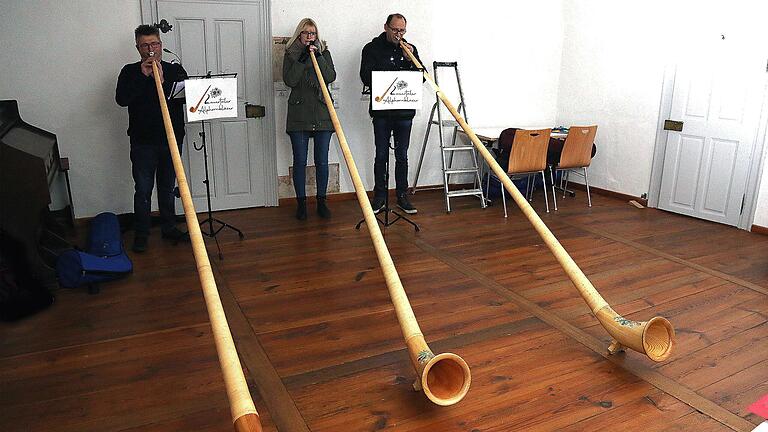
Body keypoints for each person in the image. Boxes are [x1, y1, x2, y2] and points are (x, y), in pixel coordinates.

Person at [116, 24, 188, 252]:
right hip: (143, 141)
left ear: (160, 45)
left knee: (168, 187)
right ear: (137, 47)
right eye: (145, 45)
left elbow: (187, 99)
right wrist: (142, 75)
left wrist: (165, 79)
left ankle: (169, 228)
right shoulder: (129, 71)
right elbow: (122, 99)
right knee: (143, 189)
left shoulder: (175, 69)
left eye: (154, 44)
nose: (150, 49)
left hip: (172, 139)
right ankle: (142, 234)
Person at [360, 13, 422, 215]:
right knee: (381, 155)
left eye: (402, 30)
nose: (398, 34)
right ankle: (379, 196)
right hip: (382, 113)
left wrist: (410, 60)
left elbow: (421, 77)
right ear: (386, 27)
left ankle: (402, 195)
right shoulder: (372, 49)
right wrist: (391, 72)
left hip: (404, 112)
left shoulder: (409, 49)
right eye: (395, 30)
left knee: (402, 156)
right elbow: (365, 76)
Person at [283, 18, 337, 220]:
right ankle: (301, 204)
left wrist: (318, 56)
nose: (309, 37)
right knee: (300, 161)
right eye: (306, 33)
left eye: (313, 33)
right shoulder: (291, 54)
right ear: (299, 35)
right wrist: (303, 59)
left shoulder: (325, 52)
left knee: (322, 161)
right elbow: (290, 80)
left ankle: (321, 201)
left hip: (322, 114)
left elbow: (330, 76)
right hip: (299, 115)